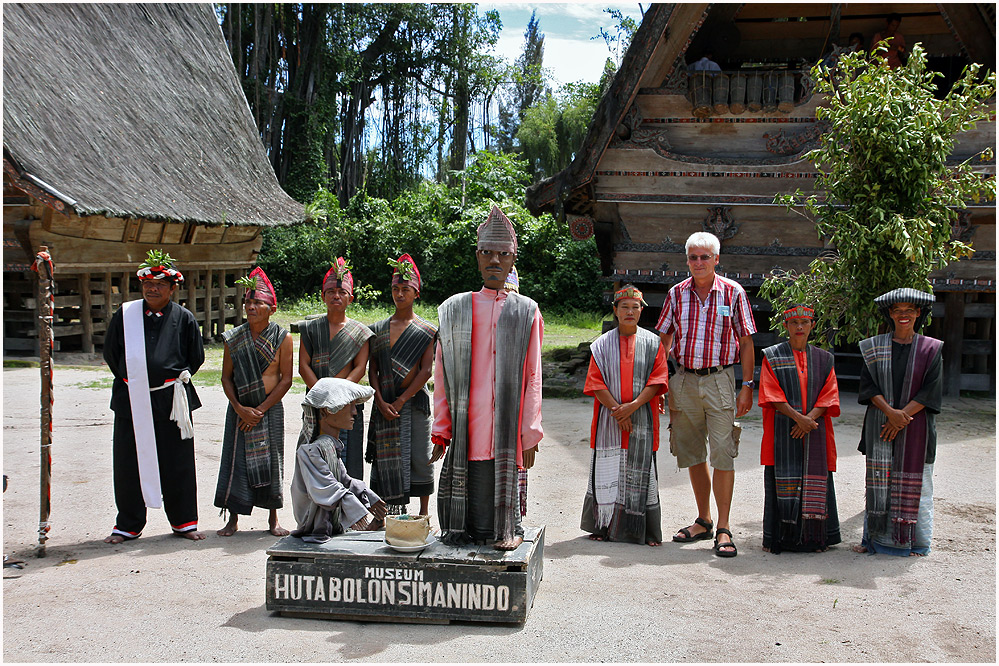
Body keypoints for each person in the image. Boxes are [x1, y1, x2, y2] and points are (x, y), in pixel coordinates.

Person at [431, 205, 543, 550]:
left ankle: (510, 530)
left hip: (508, 421)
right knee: (471, 487)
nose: (495, 261)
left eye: (503, 254)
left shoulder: (526, 310)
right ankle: (463, 531)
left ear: (513, 261)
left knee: (503, 482)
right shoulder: (455, 309)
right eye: (487, 253)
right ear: (477, 258)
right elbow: (442, 373)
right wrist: (441, 427)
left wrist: (530, 430)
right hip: (469, 418)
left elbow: (533, 374)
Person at [656, 231, 756, 558]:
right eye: (693, 257)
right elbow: (664, 341)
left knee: (723, 452)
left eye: (704, 257)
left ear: (716, 259)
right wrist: (660, 382)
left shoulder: (733, 293)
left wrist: (747, 386)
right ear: (687, 261)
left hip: (720, 380)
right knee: (692, 452)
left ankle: (724, 528)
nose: (698, 263)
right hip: (683, 381)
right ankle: (704, 519)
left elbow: (746, 343)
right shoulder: (676, 294)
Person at [102, 250, 205, 543]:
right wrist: (132, 378)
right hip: (131, 397)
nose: (152, 288)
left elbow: (194, 358)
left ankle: (184, 521)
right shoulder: (125, 316)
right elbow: (112, 353)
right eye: (148, 283)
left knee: (178, 461)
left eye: (160, 283)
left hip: (170, 399)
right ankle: (128, 524)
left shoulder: (184, 318)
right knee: (128, 461)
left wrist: (168, 379)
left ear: (172, 288)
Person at [854, 288, 942, 557]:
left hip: (917, 427)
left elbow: (931, 390)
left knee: (920, 487)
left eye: (909, 310)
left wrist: (901, 416)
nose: (903, 315)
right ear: (890, 314)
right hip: (881, 423)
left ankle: (918, 542)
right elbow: (868, 387)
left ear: (918, 313)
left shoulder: (931, 348)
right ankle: (874, 540)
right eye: (897, 310)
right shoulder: (873, 346)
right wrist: (890, 413)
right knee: (878, 483)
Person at [581, 285, 669, 546]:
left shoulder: (654, 343)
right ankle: (603, 526)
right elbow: (596, 383)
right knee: (608, 471)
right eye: (624, 307)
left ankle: (645, 530)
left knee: (641, 472)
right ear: (615, 311)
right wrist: (618, 412)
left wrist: (631, 407)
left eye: (635, 307)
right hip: (610, 419)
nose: (630, 311)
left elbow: (657, 380)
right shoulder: (600, 345)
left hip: (641, 417)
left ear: (642, 311)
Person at [215, 267, 293, 537]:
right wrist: (239, 408)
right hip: (239, 409)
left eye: (258, 302)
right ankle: (233, 519)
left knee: (272, 462)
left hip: (268, 410)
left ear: (271, 308)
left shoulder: (283, 338)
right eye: (248, 301)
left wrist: (259, 410)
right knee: (236, 461)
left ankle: (273, 519)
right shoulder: (233, 338)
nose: (251, 306)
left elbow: (285, 379)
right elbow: (226, 378)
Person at [758, 304, 841, 554]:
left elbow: (830, 394)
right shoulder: (772, 355)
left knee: (816, 479)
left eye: (805, 322)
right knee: (782, 482)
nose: (800, 327)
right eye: (794, 323)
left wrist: (809, 420)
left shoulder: (824, 358)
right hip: (782, 430)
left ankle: (816, 538)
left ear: (812, 326)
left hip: (814, 428)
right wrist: (798, 418)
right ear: (786, 327)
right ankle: (783, 539)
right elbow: (770, 392)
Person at [366, 254, 437, 520]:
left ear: (416, 292)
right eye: (395, 289)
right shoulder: (379, 329)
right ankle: (381, 516)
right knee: (385, 460)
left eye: (405, 289)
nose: (399, 293)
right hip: (384, 402)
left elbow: (425, 371)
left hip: (414, 403)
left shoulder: (426, 331)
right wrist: (381, 400)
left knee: (420, 456)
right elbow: (373, 369)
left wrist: (402, 400)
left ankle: (424, 513)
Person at [299, 257, 373, 480]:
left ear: (350, 298)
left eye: (341, 292)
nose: (336, 296)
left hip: (348, 404)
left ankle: (350, 510)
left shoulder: (361, 332)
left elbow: (360, 368)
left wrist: (338, 399)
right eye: (331, 291)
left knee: (348, 463)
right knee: (315, 458)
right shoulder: (310, 328)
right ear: (323, 296)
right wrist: (323, 398)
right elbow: (303, 366)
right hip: (316, 403)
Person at [290, 378, 387, 543]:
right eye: (349, 406)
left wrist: (367, 495)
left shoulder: (330, 447)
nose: (355, 412)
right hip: (314, 526)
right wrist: (355, 510)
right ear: (326, 411)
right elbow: (325, 487)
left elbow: (344, 480)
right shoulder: (310, 450)